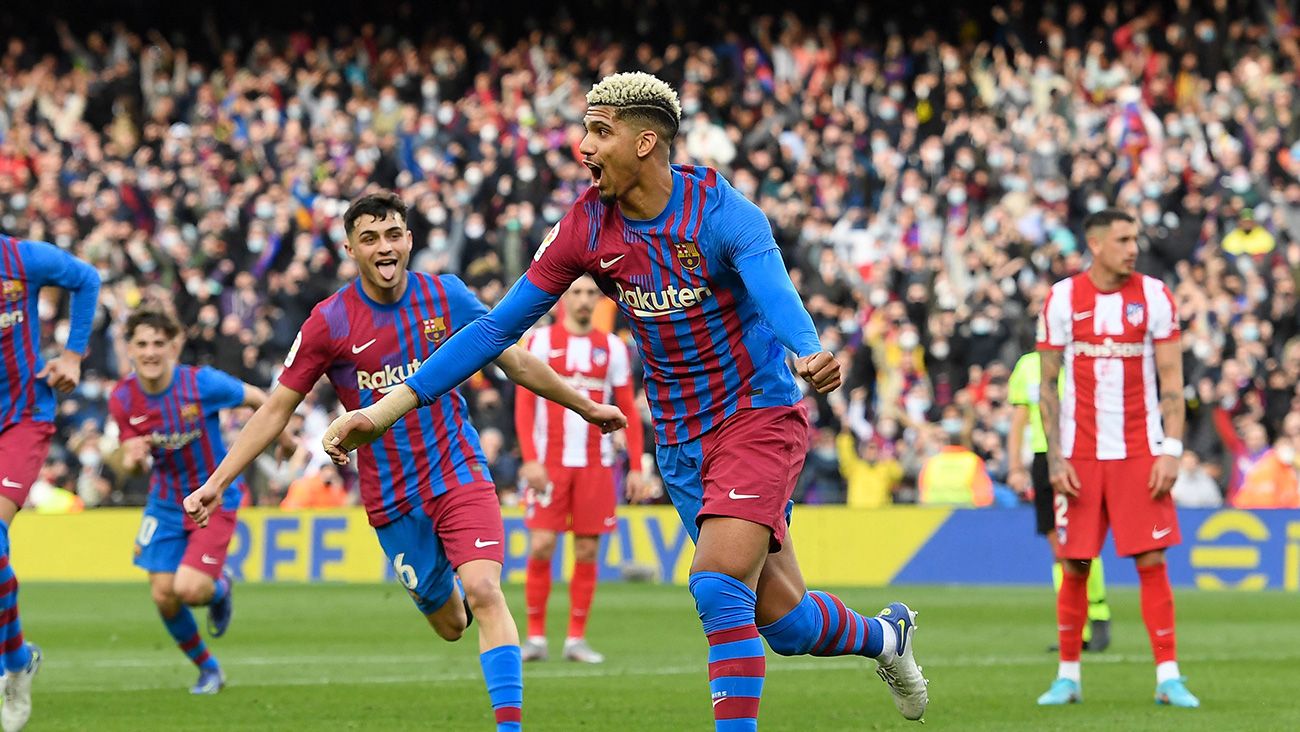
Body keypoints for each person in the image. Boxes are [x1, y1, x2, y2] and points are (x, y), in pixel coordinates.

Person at [323, 73, 929, 728]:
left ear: (646, 142)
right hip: (681, 442)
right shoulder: (586, 226)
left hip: (756, 414)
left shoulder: (723, 212)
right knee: (784, 622)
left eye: (599, 131)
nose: (583, 146)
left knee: (718, 587)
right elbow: (497, 330)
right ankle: (887, 637)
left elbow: (774, 287)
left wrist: (807, 348)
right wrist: (380, 412)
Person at [183, 191, 624, 732]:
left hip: (457, 469)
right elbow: (276, 408)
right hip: (392, 499)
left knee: (486, 590)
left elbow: (515, 361)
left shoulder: (448, 297)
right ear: (351, 249)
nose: (384, 247)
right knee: (450, 624)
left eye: (393, 234)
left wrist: (585, 405)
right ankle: (449, 591)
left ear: (410, 240)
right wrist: (217, 483)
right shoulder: (330, 321)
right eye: (370, 238)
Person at [1036, 209, 1199, 707]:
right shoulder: (1063, 298)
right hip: (1080, 455)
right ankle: (1068, 676)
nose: (1133, 248)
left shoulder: (1155, 297)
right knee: (1076, 563)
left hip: (1139, 451)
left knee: (1152, 560)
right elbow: (1047, 385)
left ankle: (1169, 677)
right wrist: (1055, 458)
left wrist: (1171, 451)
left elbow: (1172, 383)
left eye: (1136, 239)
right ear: (1096, 243)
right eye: (1124, 239)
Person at [108, 309, 284, 694]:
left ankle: (220, 587)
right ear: (130, 349)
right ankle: (209, 669)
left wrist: (284, 439)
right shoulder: (122, 398)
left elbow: (258, 398)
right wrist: (132, 460)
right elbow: (128, 462)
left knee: (190, 590)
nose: (151, 352)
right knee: (163, 595)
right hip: (164, 503)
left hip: (212, 497)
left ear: (174, 345)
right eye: (142, 344)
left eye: (159, 343)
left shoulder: (200, 384)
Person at [515, 275, 650, 664]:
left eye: (592, 293)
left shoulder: (613, 348)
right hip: (550, 462)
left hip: (596, 463)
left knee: (588, 551)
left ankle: (575, 639)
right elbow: (524, 405)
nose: (584, 300)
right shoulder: (539, 342)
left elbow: (628, 411)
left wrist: (638, 466)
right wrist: (529, 459)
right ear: (562, 299)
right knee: (541, 545)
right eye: (576, 292)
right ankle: (536, 637)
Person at [0, 233, 101, 731]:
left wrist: (73, 355)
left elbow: (86, 278)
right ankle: (18, 659)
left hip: (21, 419)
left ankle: (14, 666)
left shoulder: (20, 259)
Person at [1007, 351, 1113, 653]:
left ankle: (1099, 614)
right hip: (1044, 457)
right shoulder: (1028, 365)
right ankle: (1074, 625)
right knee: (1059, 547)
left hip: (1081, 455)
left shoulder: (1083, 359)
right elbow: (1019, 420)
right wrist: (1015, 466)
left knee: (1082, 542)